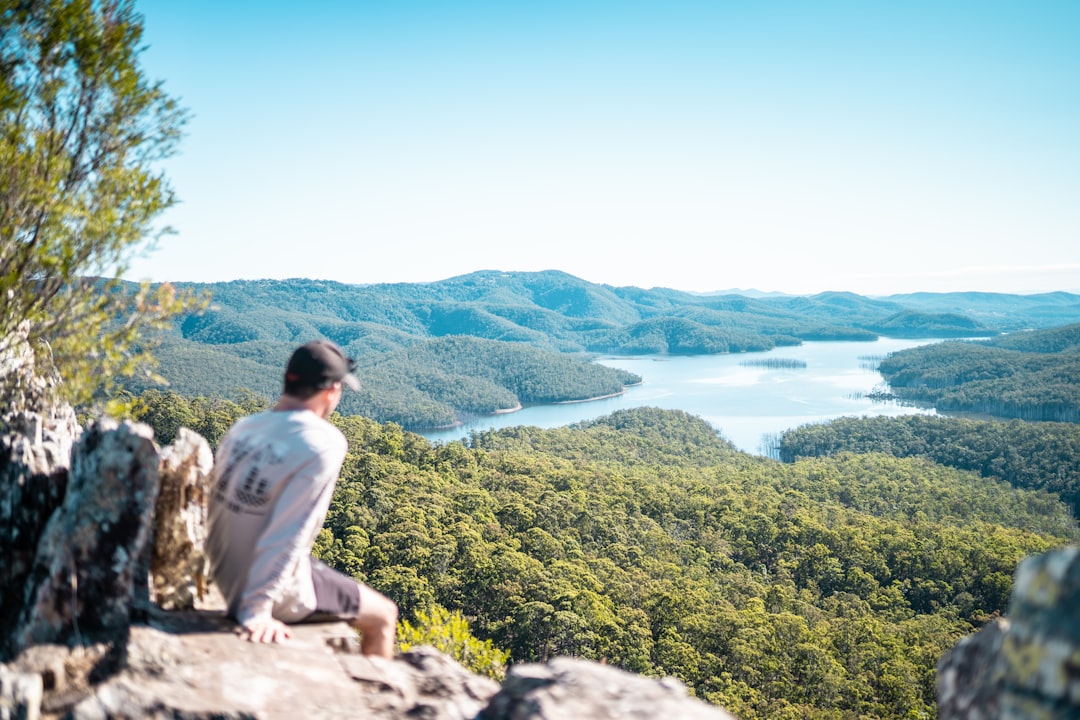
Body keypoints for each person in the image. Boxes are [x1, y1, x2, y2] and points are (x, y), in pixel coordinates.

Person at [206, 340, 398, 655]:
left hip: (221, 570)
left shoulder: (245, 427)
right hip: (263, 590)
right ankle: (378, 700)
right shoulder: (322, 443)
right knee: (384, 616)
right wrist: (256, 609)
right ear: (333, 390)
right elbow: (290, 533)